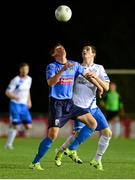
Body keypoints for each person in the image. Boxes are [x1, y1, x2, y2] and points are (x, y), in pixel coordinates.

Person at [29, 43, 103, 171]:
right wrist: (63, 70)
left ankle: (71, 149)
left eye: (62, 47)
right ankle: (35, 162)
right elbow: (51, 82)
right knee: (52, 136)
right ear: (54, 54)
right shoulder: (51, 66)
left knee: (93, 123)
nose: (62, 49)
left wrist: (99, 86)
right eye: (58, 48)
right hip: (57, 104)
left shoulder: (74, 64)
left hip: (70, 103)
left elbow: (87, 75)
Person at [55, 45, 112, 171]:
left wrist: (95, 77)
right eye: (83, 50)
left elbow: (107, 87)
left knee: (107, 133)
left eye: (87, 49)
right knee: (79, 133)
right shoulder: (76, 68)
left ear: (93, 54)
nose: (84, 51)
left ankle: (96, 160)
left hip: (92, 106)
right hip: (78, 107)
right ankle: (64, 151)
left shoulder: (99, 68)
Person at [5, 62, 32, 149]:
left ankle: (13, 126)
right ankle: (8, 144)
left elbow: (28, 91)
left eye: (26, 69)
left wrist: (29, 101)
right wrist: (14, 97)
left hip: (24, 105)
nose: (25, 71)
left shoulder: (29, 79)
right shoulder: (15, 80)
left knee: (28, 126)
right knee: (15, 125)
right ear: (20, 70)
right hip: (15, 104)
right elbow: (7, 92)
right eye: (23, 69)